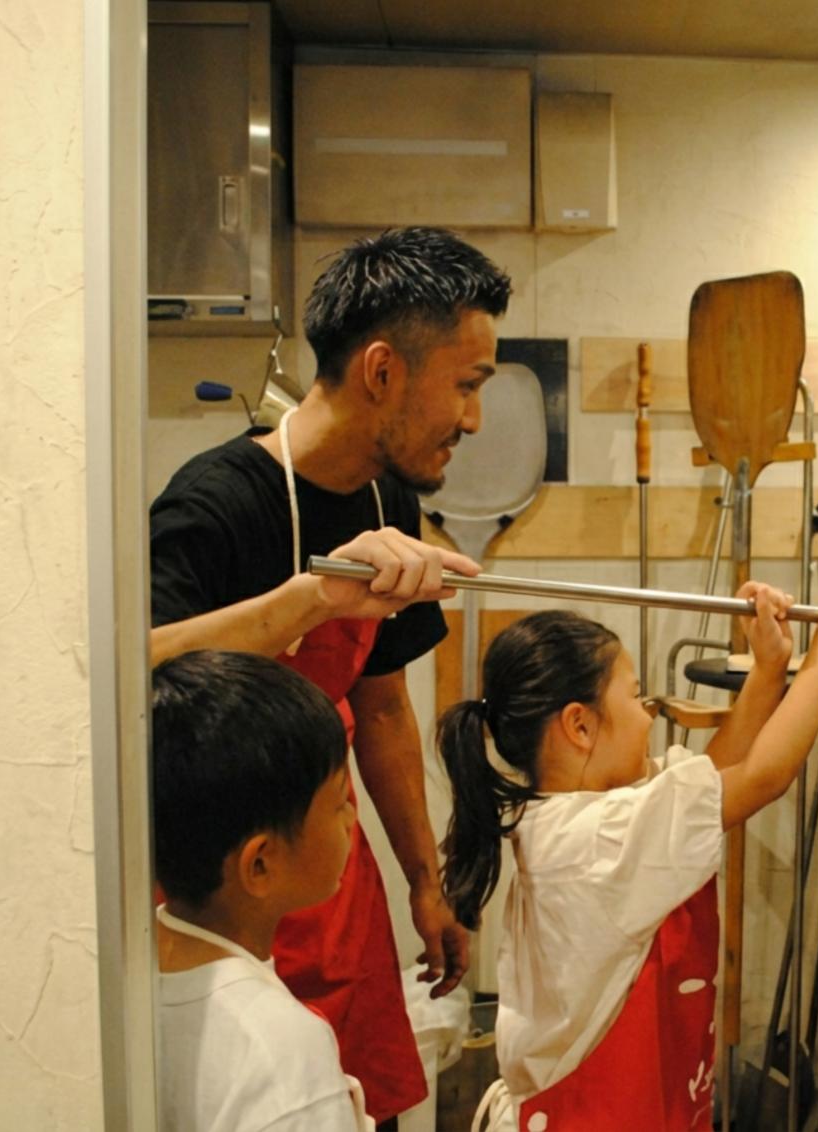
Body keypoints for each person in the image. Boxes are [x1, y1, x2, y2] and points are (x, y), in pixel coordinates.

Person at [149, 227, 512, 1123]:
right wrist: (313, 596)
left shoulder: (390, 499)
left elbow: (381, 706)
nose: (472, 419)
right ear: (383, 370)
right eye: (465, 387)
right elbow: (127, 675)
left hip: (330, 883)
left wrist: (424, 883)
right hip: (220, 899)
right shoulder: (213, 502)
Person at [438, 584, 818, 1130]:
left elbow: (715, 780)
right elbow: (761, 778)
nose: (648, 718)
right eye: (637, 698)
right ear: (580, 725)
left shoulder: (580, 817)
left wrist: (770, 669)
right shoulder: (600, 839)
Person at [151, 649, 373, 1132]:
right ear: (260, 864)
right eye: (338, 803)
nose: (351, 819)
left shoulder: (122, 979)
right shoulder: (281, 1047)